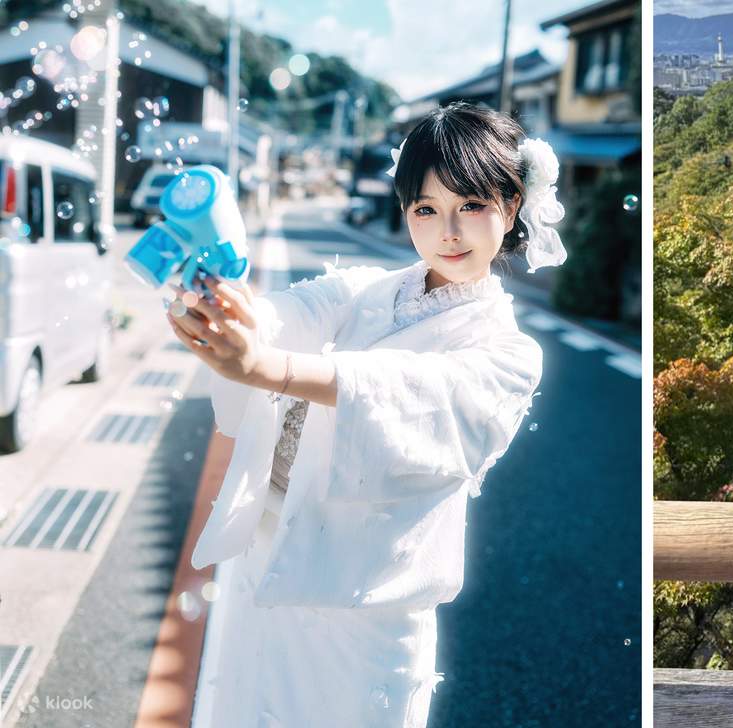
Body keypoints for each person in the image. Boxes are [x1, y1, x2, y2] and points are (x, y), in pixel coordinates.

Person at [172, 101, 566, 727]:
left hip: (369, 605)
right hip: (269, 558)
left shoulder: (512, 356)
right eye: (426, 209)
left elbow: (409, 390)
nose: (449, 232)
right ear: (407, 211)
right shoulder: (363, 289)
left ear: (512, 206)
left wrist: (264, 368)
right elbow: (286, 313)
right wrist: (223, 309)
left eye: (472, 205)